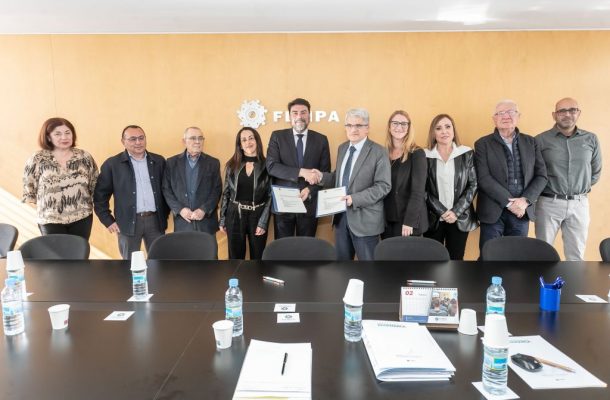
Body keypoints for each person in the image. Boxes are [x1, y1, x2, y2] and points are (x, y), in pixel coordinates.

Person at [313, 108, 391, 261]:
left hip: (365, 222)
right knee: (342, 268)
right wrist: (321, 176)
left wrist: (354, 199)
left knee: (369, 270)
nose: (353, 129)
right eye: (349, 125)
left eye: (358, 125)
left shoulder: (379, 151)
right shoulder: (342, 148)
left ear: (367, 128)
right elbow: (339, 178)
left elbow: (383, 186)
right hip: (340, 219)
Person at [474, 100, 547, 251]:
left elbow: (541, 176)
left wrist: (525, 201)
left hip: (521, 211)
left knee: (517, 257)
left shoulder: (531, 142)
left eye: (511, 112)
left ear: (518, 116)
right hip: (493, 210)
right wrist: (510, 204)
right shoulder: (482, 144)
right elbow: (484, 178)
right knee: (489, 256)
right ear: (494, 119)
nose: (506, 116)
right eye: (500, 113)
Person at [535, 98, 602, 260]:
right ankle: (542, 279)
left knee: (576, 256)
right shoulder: (540, 140)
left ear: (578, 113)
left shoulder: (591, 139)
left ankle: (573, 279)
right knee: (542, 254)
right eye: (562, 111)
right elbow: (535, 172)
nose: (567, 114)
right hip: (548, 203)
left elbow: (595, 171)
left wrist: (578, 188)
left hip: (579, 204)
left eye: (572, 110)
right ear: (554, 115)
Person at [94, 125, 169, 259]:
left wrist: (165, 214)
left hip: (156, 221)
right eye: (133, 139)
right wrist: (108, 220)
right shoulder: (112, 164)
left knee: (159, 261)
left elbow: (167, 190)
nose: (138, 142)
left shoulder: (158, 161)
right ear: (123, 142)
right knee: (129, 263)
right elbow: (100, 197)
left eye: (141, 138)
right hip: (127, 223)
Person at [22, 117, 99, 240]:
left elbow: (95, 183)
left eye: (68, 133)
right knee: (56, 252)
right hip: (50, 220)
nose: (64, 137)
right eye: (58, 134)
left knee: (79, 251)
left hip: (82, 217)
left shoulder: (84, 157)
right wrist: (51, 204)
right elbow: (29, 187)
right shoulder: (37, 158)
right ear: (48, 137)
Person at [266, 98, 331, 238]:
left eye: (303, 112)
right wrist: (301, 172)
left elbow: (325, 173)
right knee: (283, 247)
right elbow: (271, 166)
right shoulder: (277, 136)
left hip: (309, 204)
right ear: (290, 116)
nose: (299, 116)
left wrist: (310, 189)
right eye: (295, 113)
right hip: (284, 205)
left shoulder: (321, 140)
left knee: (306, 247)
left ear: (309, 115)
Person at [424, 114, 478, 260]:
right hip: (433, 218)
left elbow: (473, 184)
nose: (444, 131)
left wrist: (456, 211)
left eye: (448, 127)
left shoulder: (466, 153)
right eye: (438, 128)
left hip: (460, 218)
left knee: (456, 260)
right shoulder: (425, 155)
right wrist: (442, 211)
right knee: (433, 261)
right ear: (433, 133)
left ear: (453, 130)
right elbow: (422, 189)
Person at [219, 127, 272, 259]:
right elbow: (226, 193)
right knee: (235, 258)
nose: (248, 142)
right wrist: (222, 219)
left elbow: (270, 196)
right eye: (243, 140)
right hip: (234, 214)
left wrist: (263, 222)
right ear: (240, 145)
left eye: (251, 138)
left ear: (257, 141)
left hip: (257, 214)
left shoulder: (268, 166)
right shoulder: (232, 165)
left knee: (258, 257)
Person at [162, 127, 221, 235]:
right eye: (193, 138)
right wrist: (180, 210)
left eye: (200, 138)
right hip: (183, 222)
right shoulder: (171, 163)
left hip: (206, 223)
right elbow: (166, 190)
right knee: (184, 247)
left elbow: (217, 190)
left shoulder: (213, 163)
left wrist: (204, 210)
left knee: (208, 247)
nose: (197, 142)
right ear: (184, 141)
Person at [381, 110, 428, 238]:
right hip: (387, 219)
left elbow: (418, 191)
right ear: (389, 127)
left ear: (408, 128)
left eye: (403, 124)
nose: (399, 127)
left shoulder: (417, 153)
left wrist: (409, 221)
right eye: (395, 123)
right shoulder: (383, 153)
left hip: (408, 221)